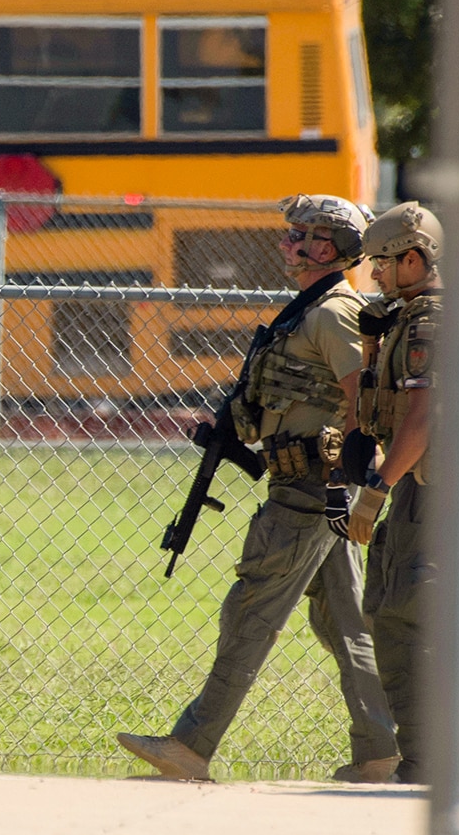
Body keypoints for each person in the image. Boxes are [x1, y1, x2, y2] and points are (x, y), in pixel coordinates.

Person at [118, 195, 397, 783]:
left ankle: (191, 746)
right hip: (317, 492)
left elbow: (362, 402)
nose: (285, 243)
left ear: (327, 247)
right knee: (344, 627)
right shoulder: (309, 308)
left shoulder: (332, 313)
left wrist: (344, 476)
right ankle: (380, 753)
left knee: (251, 611)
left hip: (309, 494)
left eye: (299, 235)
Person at [349, 201, 459, 784]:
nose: (374, 274)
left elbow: (423, 416)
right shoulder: (419, 315)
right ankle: (423, 762)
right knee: (390, 612)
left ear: (414, 259)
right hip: (430, 492)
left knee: (413, 608)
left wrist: (376, 487)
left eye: (383, 263)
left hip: (430, 493)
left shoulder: (430, 322)